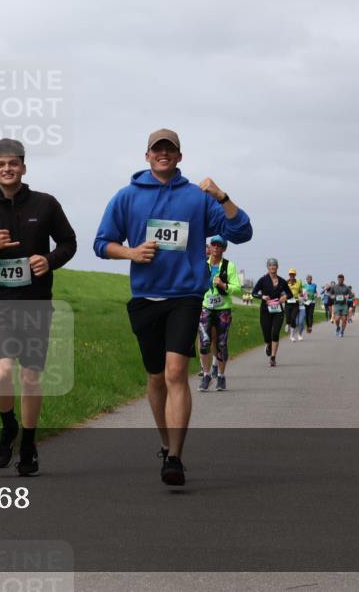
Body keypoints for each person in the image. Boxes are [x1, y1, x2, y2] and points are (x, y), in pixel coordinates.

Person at [94, 127, 252, 486]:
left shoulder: (197, 198)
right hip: (144, 298)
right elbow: (102, 243)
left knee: (176, 373)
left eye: (170, 150)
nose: (163, 154)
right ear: (147, 156)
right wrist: (131, 252)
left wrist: (222, 195)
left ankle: (176, 458)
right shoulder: (126, 197)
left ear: (179, 157)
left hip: (185, 297)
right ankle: (166, 444)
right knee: (155, 378)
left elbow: (241, 232)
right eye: (157, 149)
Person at [0, 138, 77, 477]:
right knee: (4, 371)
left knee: (31, 377)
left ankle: (29, 444)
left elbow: (69, 242)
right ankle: (8, 426)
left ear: (24, 167)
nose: (7, 169)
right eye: (0, 164)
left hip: (37, 303)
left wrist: (49, 261)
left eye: (13, 163)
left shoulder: (46, 204)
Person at [197, 235, 241, 392]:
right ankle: (207, 375)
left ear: (224, 248)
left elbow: (237, 288)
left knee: (221, 344)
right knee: (204, 342)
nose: (216, 248)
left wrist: (223, 284)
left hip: (223, 309)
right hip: (205, 307)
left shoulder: (229, 266)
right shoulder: (203, 265)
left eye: (219, 245)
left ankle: (221, 377)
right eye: (213, 244)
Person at [252, 259, 290, 367]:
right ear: (267, 267)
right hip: (265, 310)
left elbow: (290, 294)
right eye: (270, 265)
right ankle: (268, 344)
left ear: (277, 267)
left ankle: (273, 358)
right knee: (266, 334)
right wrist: (262, 296)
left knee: (275, 333)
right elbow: (253, 293)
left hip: (278, 310)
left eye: (274, 265)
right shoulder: (263, 280)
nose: (272, 267)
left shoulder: (282, 281)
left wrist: (285, 297)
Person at [285, 268, 304, 341]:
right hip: (288, 302)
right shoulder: (286, 282)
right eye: (290, 274)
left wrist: (301, 294)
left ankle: (292, 336)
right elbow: (282, 291)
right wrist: (284, 296)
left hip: (296, 302)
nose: (292, 275)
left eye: (293, 274)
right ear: (289, 275)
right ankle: (287, 324)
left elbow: (300, 292)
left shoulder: (298, 282)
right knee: (288, 317)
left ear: (295, 275)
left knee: (293, 318)